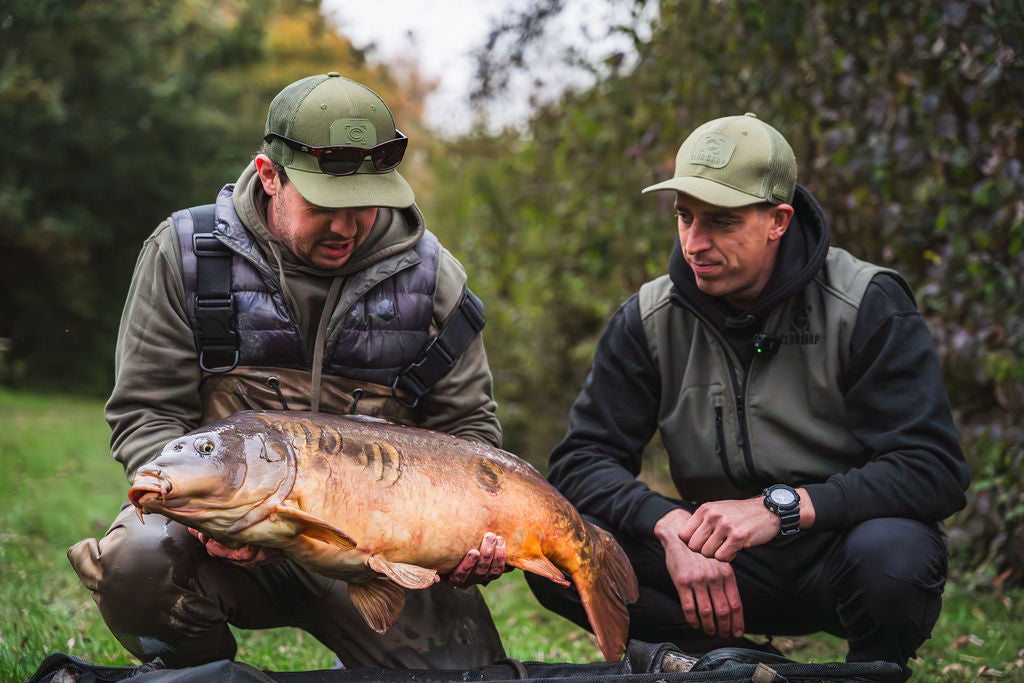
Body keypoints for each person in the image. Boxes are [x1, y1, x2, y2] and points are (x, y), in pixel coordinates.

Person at [68, 72, 509, 670]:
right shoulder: (185, 255)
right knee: (138, 566)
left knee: (468, 677)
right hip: (224, 537)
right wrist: (213, 522)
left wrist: (467, 535)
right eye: (326, 206)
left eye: (365, 205)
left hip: (372, 554)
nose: (348, 227)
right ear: (269, 174)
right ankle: (203, 677)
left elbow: (472, 436)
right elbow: (145, 414)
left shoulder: (435, 283)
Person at [525, 113, 970, 679]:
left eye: (720, 222)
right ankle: (732, 666)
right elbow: (579, 462)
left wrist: (782, 509)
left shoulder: (866, 303)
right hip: (714, 559)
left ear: (777, 220)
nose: (694, 242)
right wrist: (667, 526)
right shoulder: (647, 318)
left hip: (835, 550)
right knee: (559, 558)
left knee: (895, 555)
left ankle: (869, 670)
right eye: (684, 217)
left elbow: (932, 469)